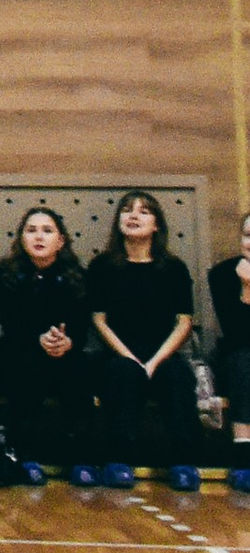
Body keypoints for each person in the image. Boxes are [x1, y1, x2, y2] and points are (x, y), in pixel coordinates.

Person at [86, 192, 203, 492]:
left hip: (162, 353)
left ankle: (183, 463)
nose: (134, 216)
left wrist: (153, 362)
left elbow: (184, 322)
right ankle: (119, 461)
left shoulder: (173, 268)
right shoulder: (102, 266)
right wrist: (130, 359)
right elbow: (99, 320)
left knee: (178, 377)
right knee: (122, 374)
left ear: (156, 225)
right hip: (118, 353)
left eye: (144, 211)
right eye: (127, 210)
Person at [0, 204, 90, 487]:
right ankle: (22, 455)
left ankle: (81, 457)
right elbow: (11, 322)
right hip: (19, 348)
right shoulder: (5, 274)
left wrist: (67, 341)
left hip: (62, 351)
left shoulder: (77, 276)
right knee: (25, 363)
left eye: (47, 230)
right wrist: (38, 339)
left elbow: (81, 324)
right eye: (31, 230)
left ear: (61, 240)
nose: (39, 236)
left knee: (80, 367)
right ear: (22, 238)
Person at [208, 208, 250, 498]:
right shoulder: (223, 274)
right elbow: (237, 334)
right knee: (245, 360)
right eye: (248, 235)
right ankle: (244, 456)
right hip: (236, 358)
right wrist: (246, 288)